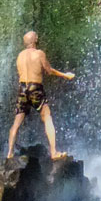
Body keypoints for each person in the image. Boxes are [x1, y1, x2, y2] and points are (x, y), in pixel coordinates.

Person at [6, 31, 75, 160]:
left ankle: (9, 153)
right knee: (47, 116)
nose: (38, 37)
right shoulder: (39, 54)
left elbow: (20, 73)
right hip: (35, 87)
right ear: (34, 40)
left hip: (22, 88)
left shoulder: (20, 56)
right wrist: (65, 75)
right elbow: (49, 71)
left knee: (17, 122)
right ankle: (54, 152)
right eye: (36, 36)